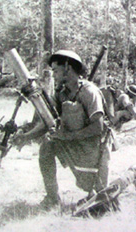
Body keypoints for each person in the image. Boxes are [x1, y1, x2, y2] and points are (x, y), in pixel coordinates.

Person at [12, 50, 112, 209]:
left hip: (95, 151)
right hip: (75, 144)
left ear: (67, 67)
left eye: (56, 70)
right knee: (47, 145)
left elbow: (98, 127)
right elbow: (48, 123)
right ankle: (52, 198)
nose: (54, 75)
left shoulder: (89, 92)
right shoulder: (61, 93)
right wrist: (26, 137)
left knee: (99, 196)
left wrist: (68, 136)